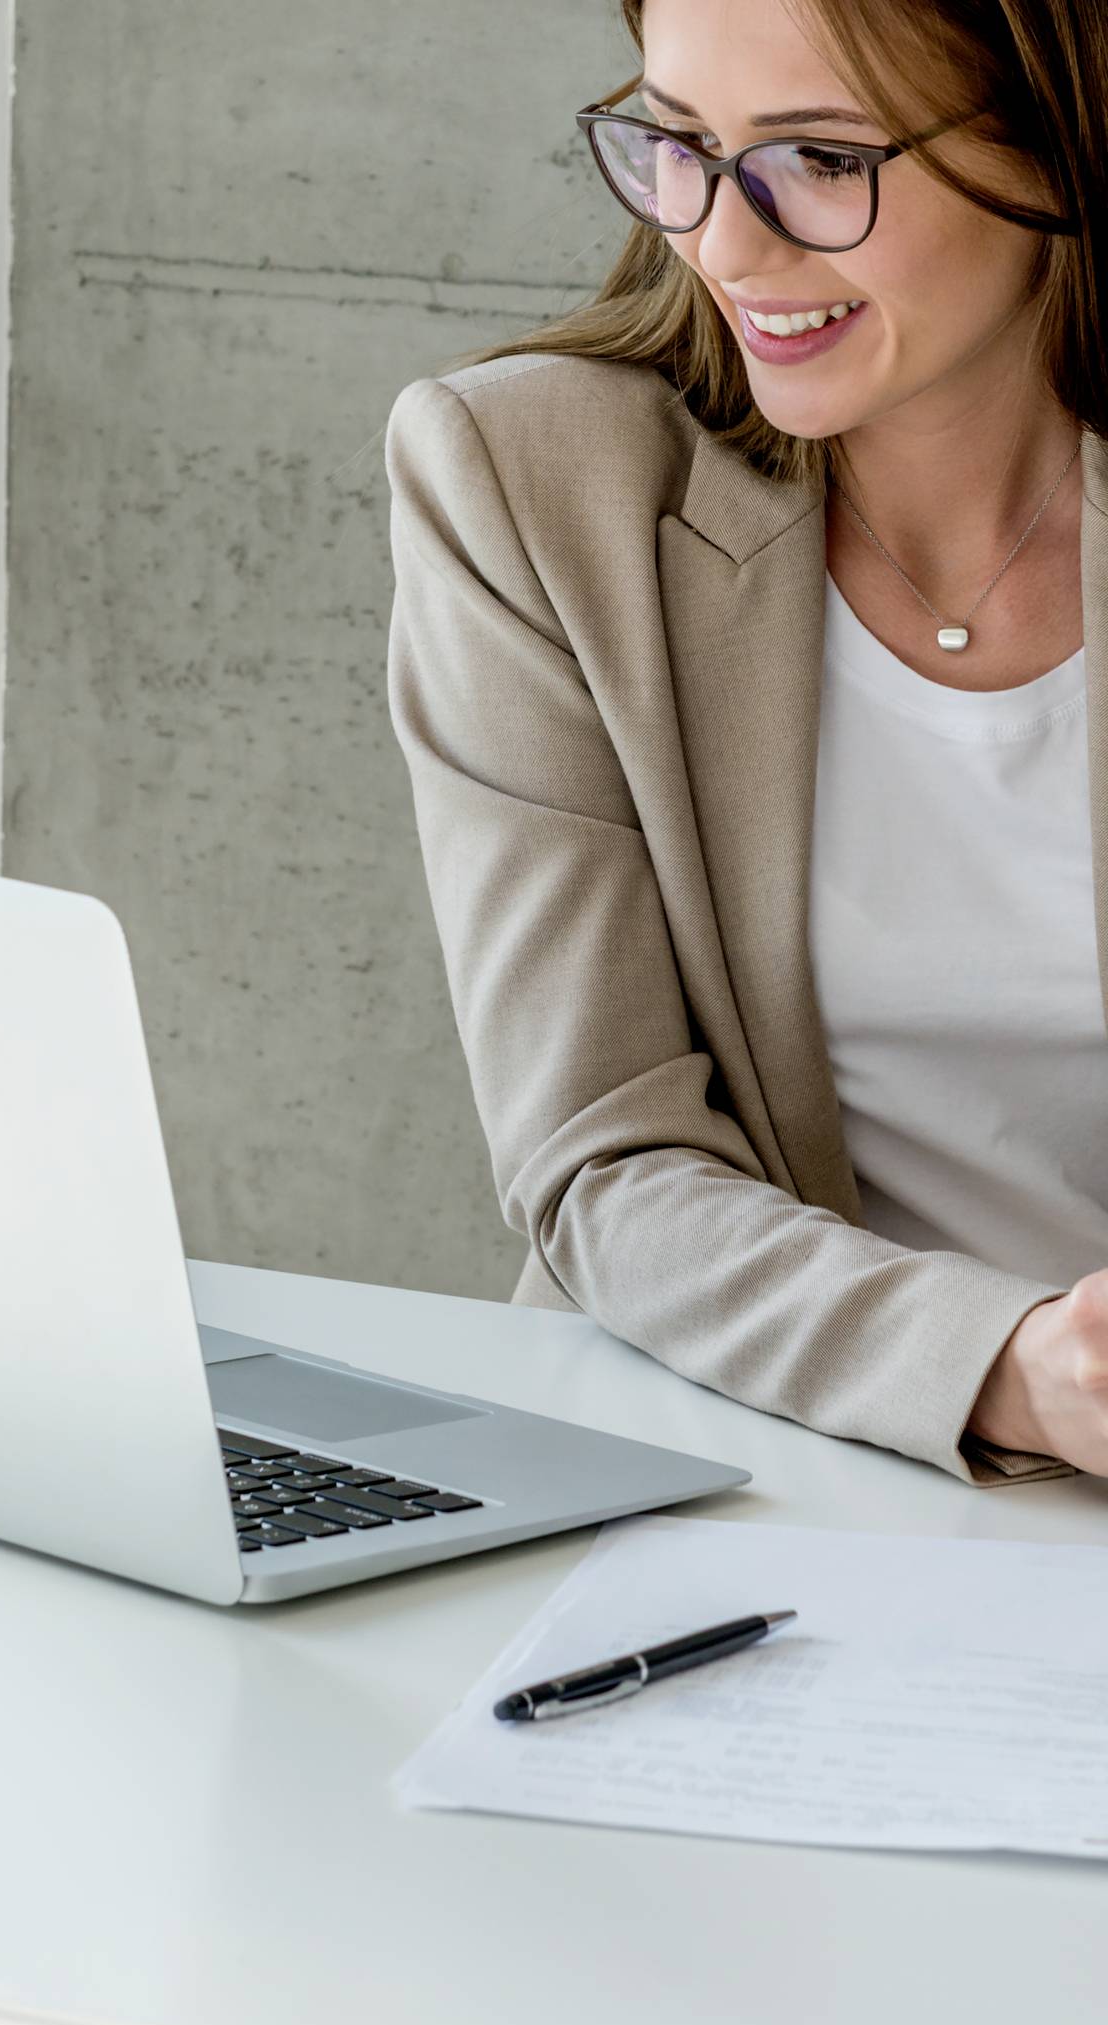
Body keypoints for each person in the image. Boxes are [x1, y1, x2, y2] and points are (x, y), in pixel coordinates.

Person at [381, 0, 1108, 1483]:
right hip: (745, 1473)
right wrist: (1014, 1367)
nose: (722, 243)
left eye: (820, 159)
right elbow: (604, 1161)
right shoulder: (531, 487)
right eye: (682, 145)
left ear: (1057, 139)